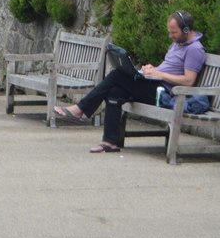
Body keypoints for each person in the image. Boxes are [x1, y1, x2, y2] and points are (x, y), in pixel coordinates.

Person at [54, 10, 206, 153]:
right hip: (154, 84)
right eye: (169, 31)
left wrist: (159, 74)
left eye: (173, 32)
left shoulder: (194, 49)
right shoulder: (178, 43)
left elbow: (188, 81)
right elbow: (169, 68)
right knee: (115, 92)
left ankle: (80, 109)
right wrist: (151, 70)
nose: (170, 36)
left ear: (186, 30)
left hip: (164, 94)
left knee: (117, 75)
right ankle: (110, 142)